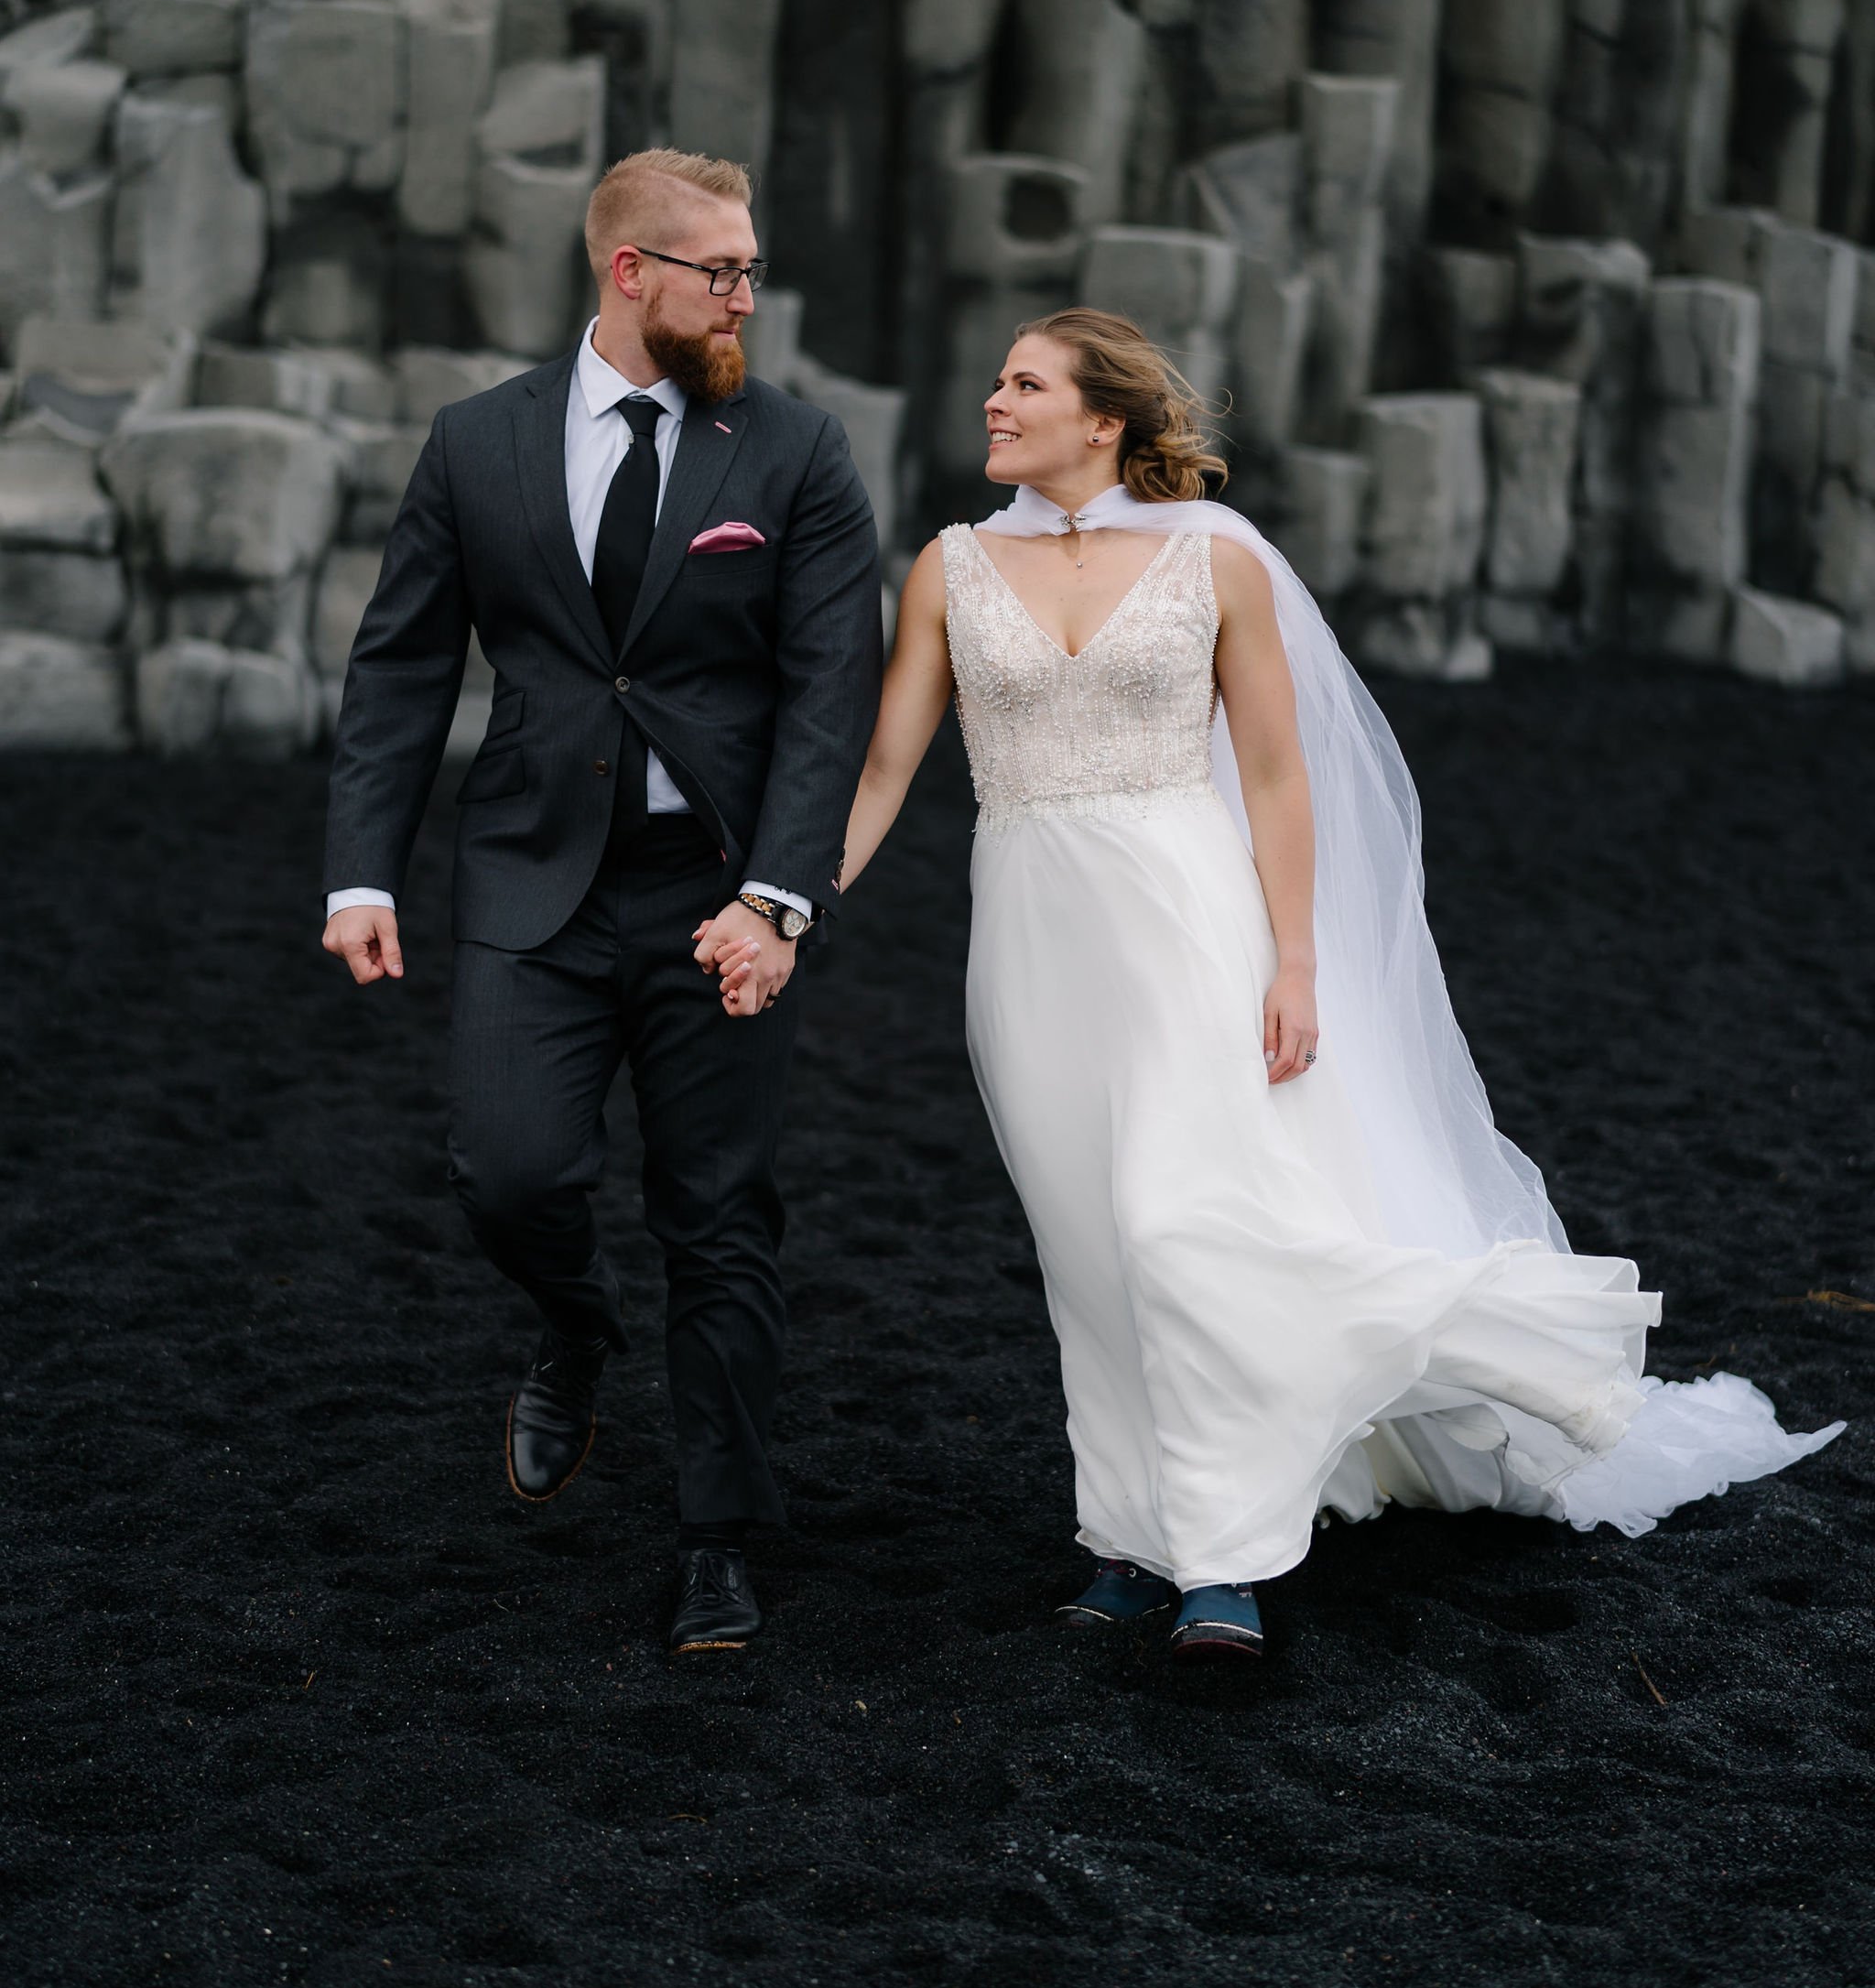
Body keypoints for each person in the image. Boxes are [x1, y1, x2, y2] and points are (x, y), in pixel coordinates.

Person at [827, 307, 1843, 1660]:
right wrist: (787, 906)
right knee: (1092, 1256)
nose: (994, 402)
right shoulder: (948, 569)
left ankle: (1226, 1563)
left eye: (1025, 384)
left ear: (1104, 420)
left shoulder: (1216, 562)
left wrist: (1295, 964)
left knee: (1181, 1227)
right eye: (999, 380)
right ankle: (1130, 1538)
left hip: (1191, 924)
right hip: (1027, 941)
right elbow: (884, 769)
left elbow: (1273, 775)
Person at [321, 149, 883, 1656]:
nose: (746, 297)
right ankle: (575, 1327)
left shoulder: (798, 452)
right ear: (631, 271)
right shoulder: (477, 443)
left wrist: (777, 899)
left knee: (720, 1217)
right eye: (723, 271)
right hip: (531, 881)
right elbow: (401, 664)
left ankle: (719, 1543)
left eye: (752, 269)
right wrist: (363, 868)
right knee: (507, 1177)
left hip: (720, 897)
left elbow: (830, 696)